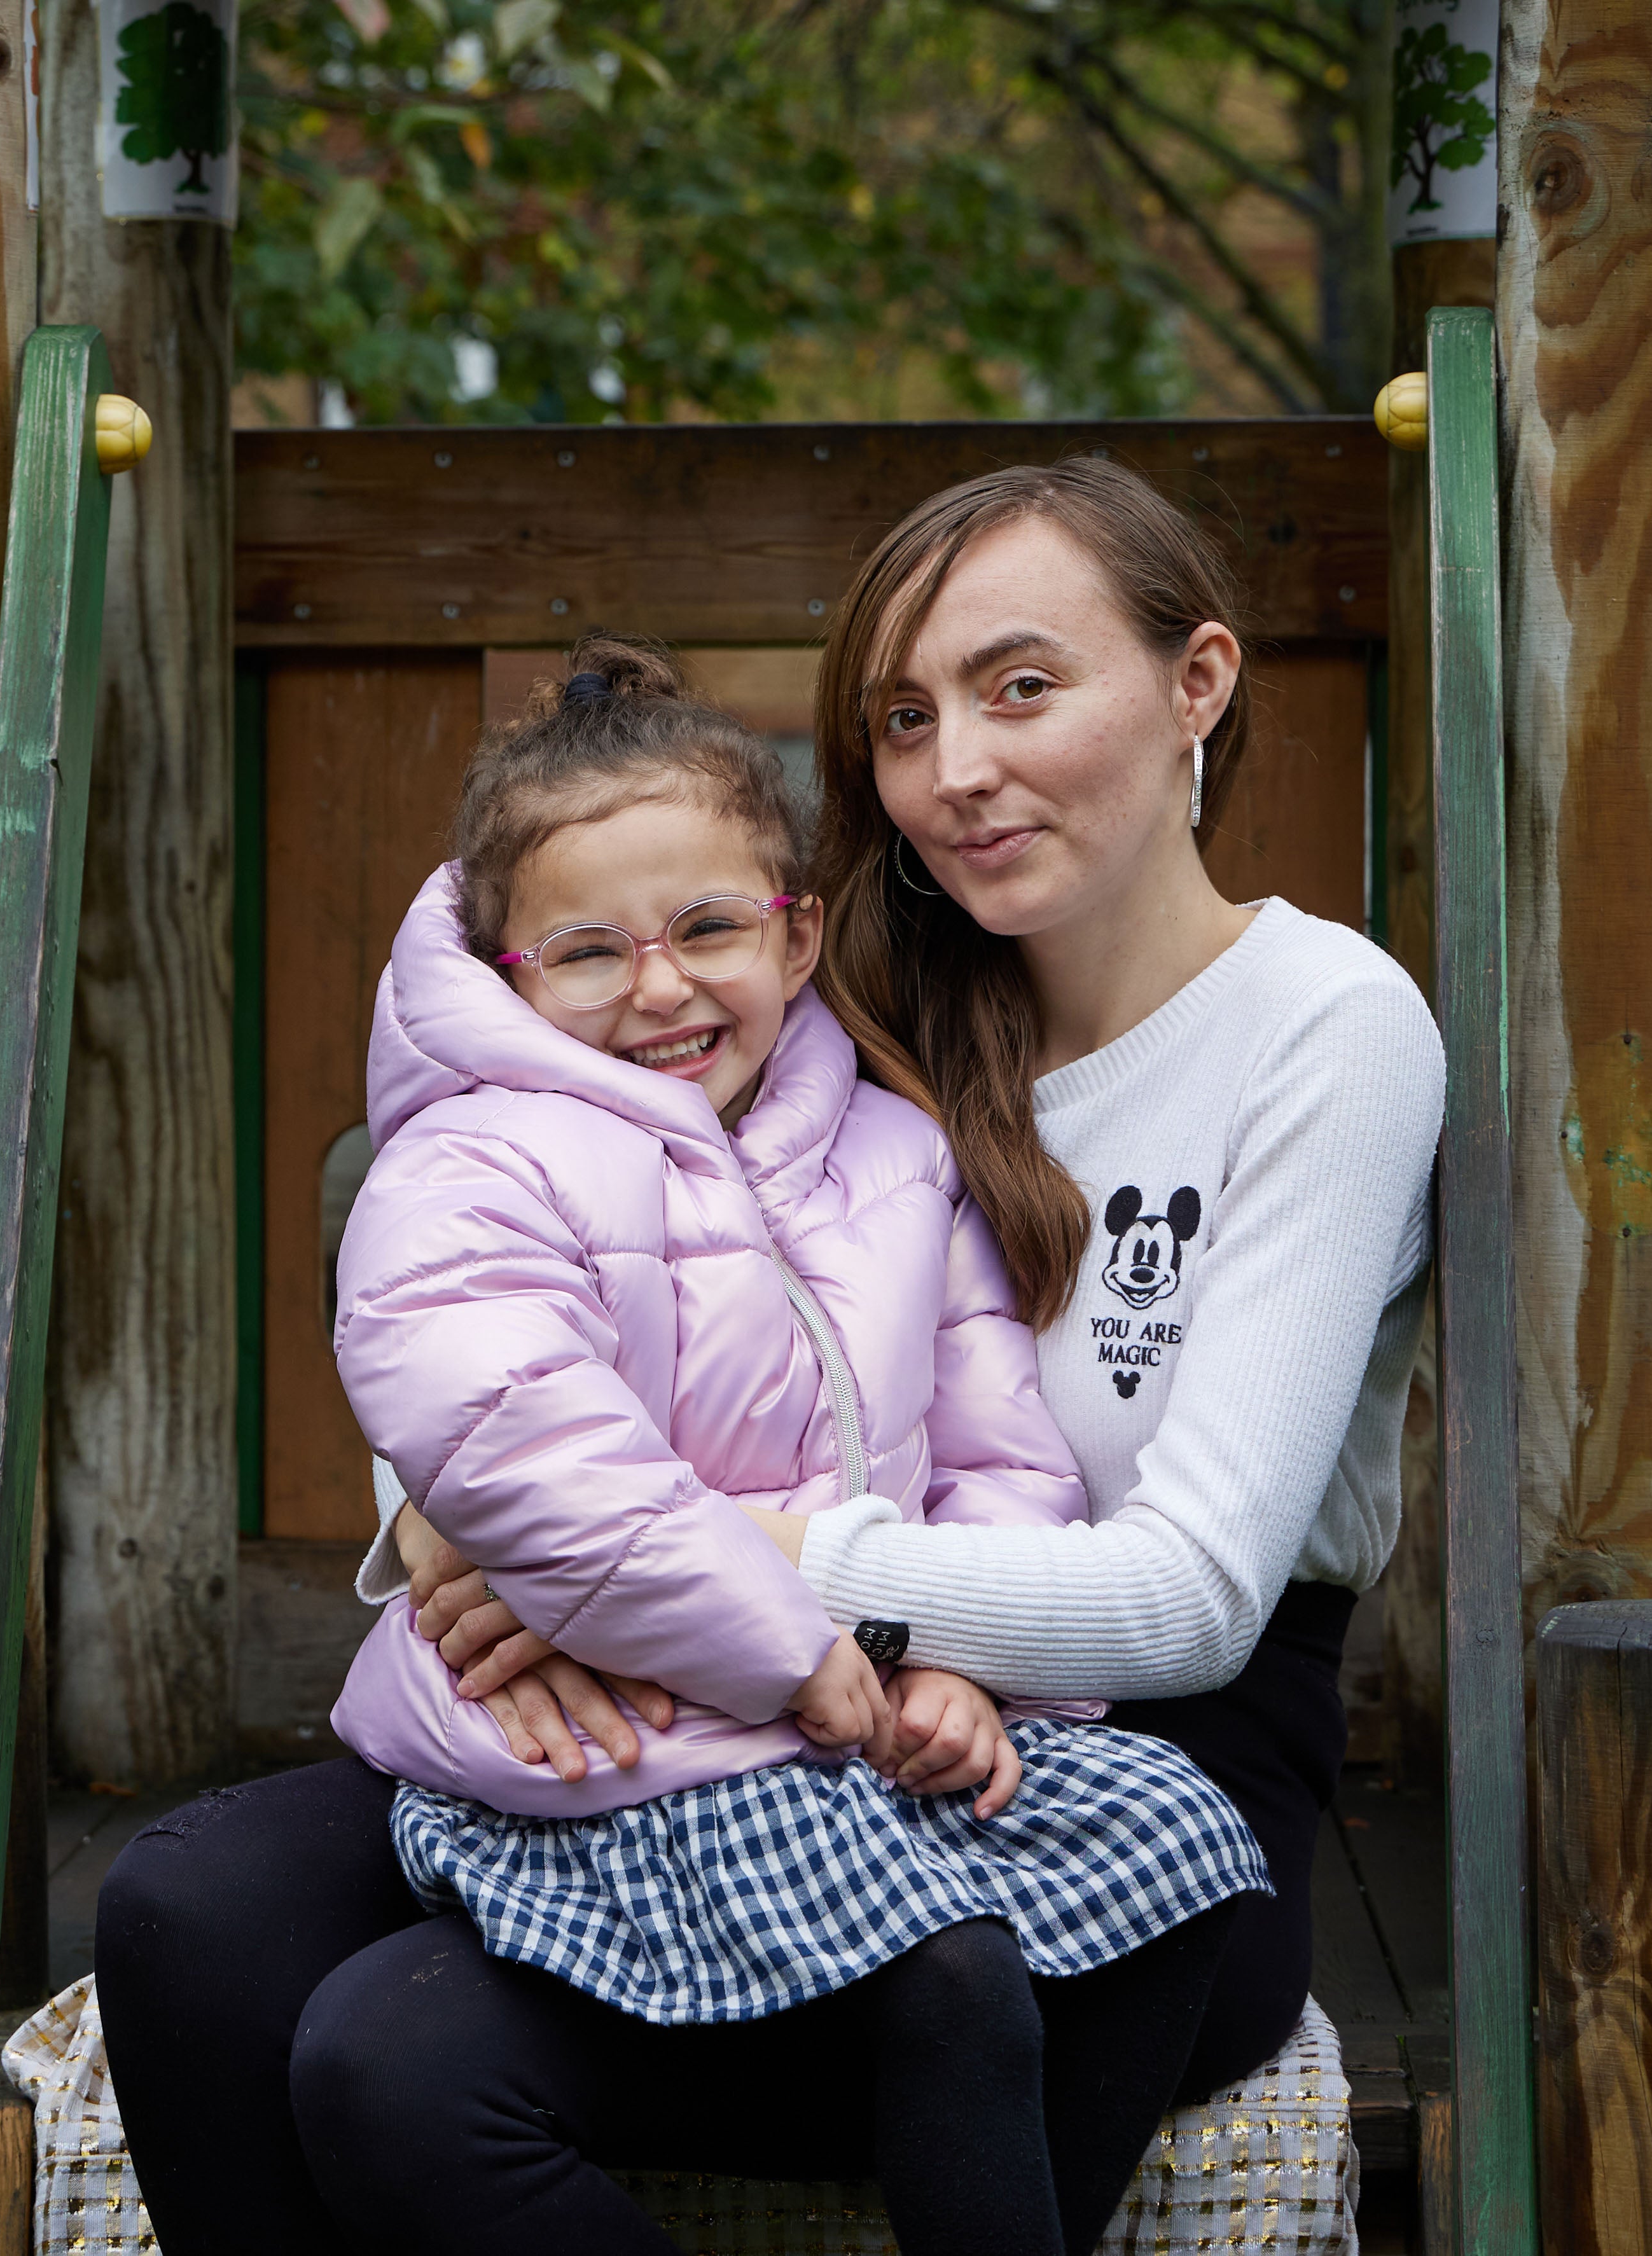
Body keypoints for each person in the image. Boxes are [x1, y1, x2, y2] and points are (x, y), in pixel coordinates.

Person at [96, 459, 1443, 2250]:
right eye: (903, 715)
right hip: (710, 1690)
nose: (954, 764)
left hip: (1133, 1747)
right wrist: (453, 1526)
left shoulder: (1321, 1028)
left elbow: (1188, 1598)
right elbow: (522, 1261)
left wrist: (705, 1566)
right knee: (190, 1915)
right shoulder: (860, 988)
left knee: (396, 2060)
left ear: (1197, 684)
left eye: (1019, 685)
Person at [302, 635, 1268, 2255]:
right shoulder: (471, 1162)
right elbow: (530, 1444)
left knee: (1174, 1834)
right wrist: (800, 1656)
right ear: (507, 973)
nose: (663, 987)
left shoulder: (892, 1151)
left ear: (798, 931)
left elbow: (1001, 1445)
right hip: (629, 1747)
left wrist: (971, 1660)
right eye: (590, 950)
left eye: (707, 929)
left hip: (861, 1718)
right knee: (950, 1970)